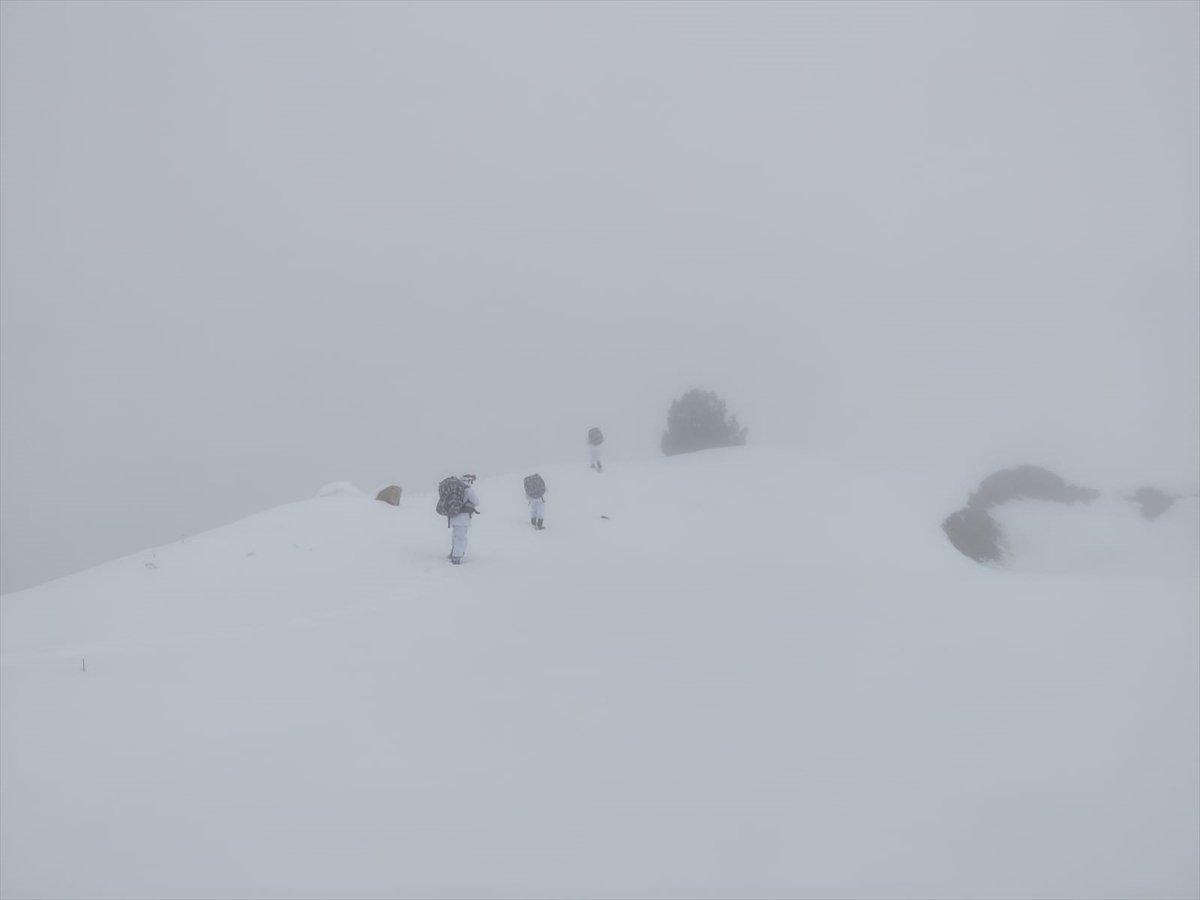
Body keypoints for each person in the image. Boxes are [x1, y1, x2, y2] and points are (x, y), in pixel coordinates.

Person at [446, 473, 480, 565]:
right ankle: (456, 557)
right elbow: (476, 501)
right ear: (468, 481)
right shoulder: (468, 490)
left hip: (454, 516)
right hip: (463, 518)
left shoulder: (455, 489)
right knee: (461, 538)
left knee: (456, 536)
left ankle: (453, 553)